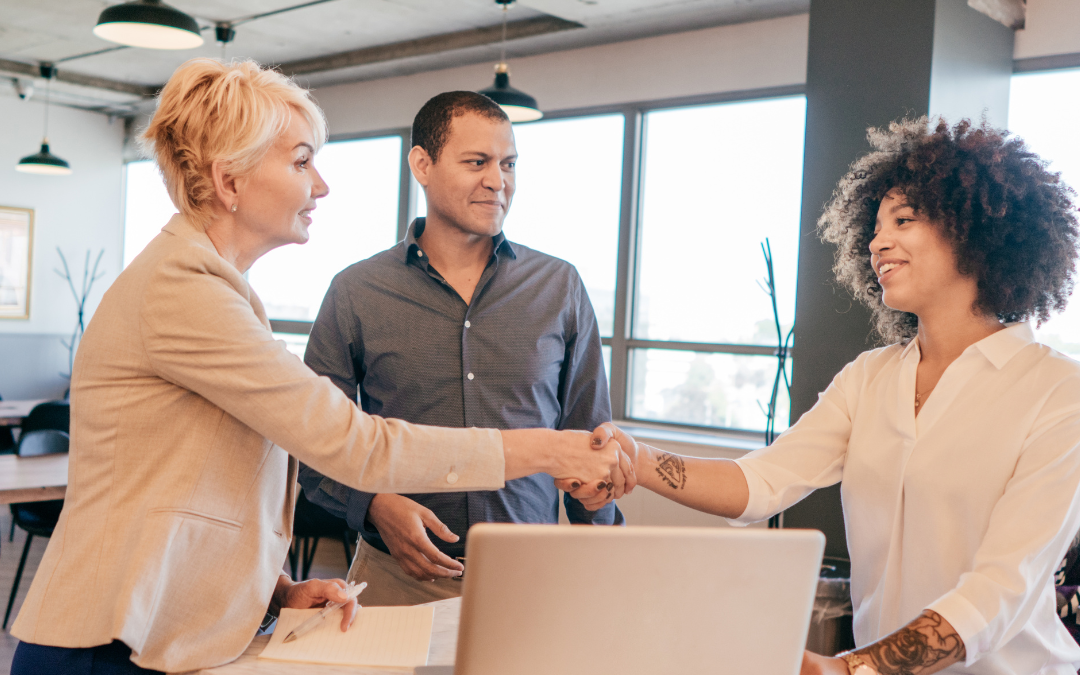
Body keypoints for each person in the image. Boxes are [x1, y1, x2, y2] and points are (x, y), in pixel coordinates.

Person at [9, 59, 626, 675]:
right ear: (230, 182)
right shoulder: (182, 289)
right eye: (302, 161)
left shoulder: (219, 291)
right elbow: (348, 442)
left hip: (147, 634)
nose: (321, 185)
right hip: (105, 643)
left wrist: (271, 592)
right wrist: (547, 449)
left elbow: (189, 486)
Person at [603, 118, 1080, 674]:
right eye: (875, 227)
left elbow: (1002, 588)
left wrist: (851, 668)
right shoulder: (870, 377)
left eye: (904, 220)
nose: (879, 242)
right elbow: (759, 482)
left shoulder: (1058, 392)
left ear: (975, 231)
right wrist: (634, 460)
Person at [298, 91, 621, 606]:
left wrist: (602, 563)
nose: (498, 180)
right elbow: (315, 446)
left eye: (508, 164)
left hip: (533, 582)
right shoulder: (355, 292)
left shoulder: (558, 286)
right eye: (477, 162)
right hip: (394, 580)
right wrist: (374, 504)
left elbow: (590, 444)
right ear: (422, 164)